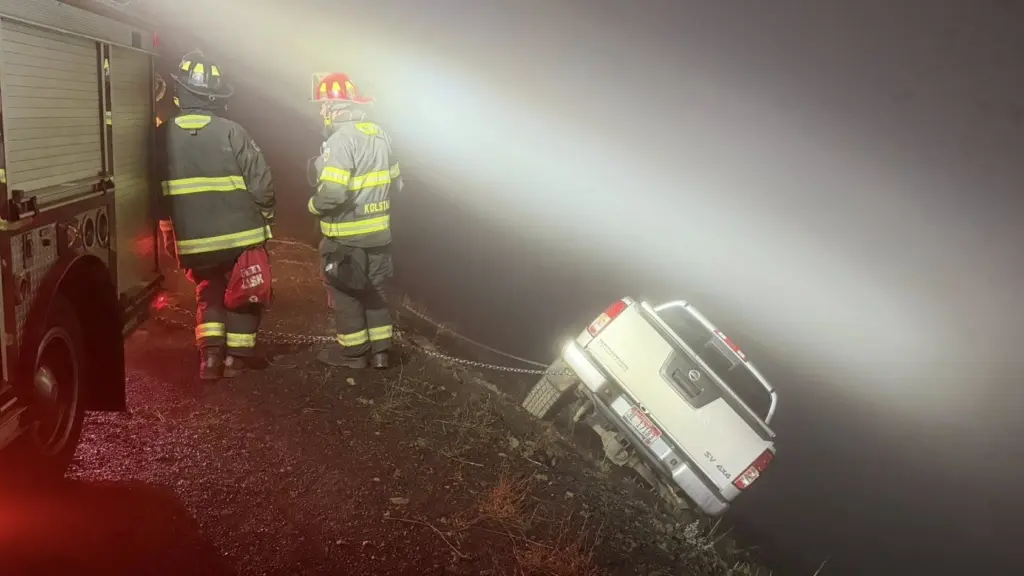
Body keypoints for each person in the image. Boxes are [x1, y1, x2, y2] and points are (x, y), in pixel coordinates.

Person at [156, 50, 276, 379]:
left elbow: (154, 193)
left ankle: (209, 359)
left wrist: (169, 231)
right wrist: (266, 218)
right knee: (244, 292)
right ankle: (237, 360)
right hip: (243, 237)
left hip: (194, 241)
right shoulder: (233, 131)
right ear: (217, 96)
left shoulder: (160, 136)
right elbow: (262, 184)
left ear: (179, 90)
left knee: (209, 289)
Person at [308, 72, 402, 369]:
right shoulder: (381, 135)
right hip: (379, 234)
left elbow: (332, 194)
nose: (322, 111)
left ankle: (354, 355)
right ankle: (381, 353)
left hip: (345, 237)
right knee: (376, 291)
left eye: (325, 105)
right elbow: (397, 185)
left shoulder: (340, 140)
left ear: (339, 108)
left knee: (345, 293)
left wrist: (313, 205)